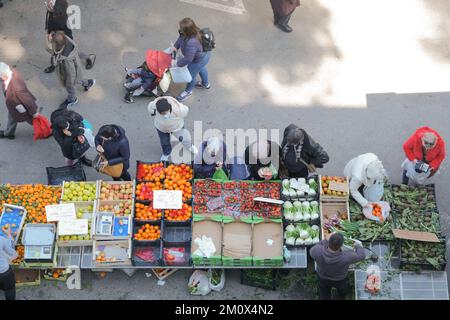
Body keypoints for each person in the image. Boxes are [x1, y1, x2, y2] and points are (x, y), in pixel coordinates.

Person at [44, 0, 96, 73]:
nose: (47, 3)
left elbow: (60, 25)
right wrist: (49, 32)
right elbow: (50, 21)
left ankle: (89, 58)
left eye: (49, 3)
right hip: (55, 35)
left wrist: (52, 33)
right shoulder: (53, 6)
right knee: (54, 51)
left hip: (64, 36)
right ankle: (53, 65)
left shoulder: (61, 5)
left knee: (72, 54)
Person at [310, 233, 366, 300]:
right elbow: (361, 255)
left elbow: (312, 251)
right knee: (342, 290)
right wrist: (358, 246)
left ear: (329, 241)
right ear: (341, 245)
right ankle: (340, 296)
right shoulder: (347, 256)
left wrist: (324, 240)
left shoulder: (317, 250)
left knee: (324, 291)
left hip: (322, 276)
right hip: (339, 279)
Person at [51, 31, 96, 108]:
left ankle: (72, 99)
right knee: (79, 79)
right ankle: (88, 83)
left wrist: (69, 84)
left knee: (71, 86)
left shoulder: (66, 60)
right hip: (75, 62)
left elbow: (71, 74)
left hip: (72, 74)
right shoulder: (67, 40)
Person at [171, 18, 211, 102]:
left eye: (182, 28)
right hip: (204, 56)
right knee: (201, 68)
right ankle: (205, 84)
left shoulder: (191, 43)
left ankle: (188, 91)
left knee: (190, 76)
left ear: (187, 31)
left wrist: (177, 64)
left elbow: (188, 59)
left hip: (198, 60)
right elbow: (180, 39)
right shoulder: (193, 31)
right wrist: (175, 46)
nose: (180, 29)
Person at [148, 96, 198, 162]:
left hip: (177, 127)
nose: (164, 115)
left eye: (165, 112)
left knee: (183, 138)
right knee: (164, 141)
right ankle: (166, 153)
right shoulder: (153, 107)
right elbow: (150, 108)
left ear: (169, 108)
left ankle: (189, 146)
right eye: (162, 114)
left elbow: (186, 110)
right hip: (161, 128)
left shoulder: (179, 109)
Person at [0, 62, 40, 140]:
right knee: (12, 118)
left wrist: (34, 112)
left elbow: (27, 100)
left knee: (31, 119)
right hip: (14, 106)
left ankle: (45, 129)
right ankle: (9, 133)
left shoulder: (17, 88)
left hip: (21, 108)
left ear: (4, 76)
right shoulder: (10, 73)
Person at [0, 227, 18, 300]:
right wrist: (9, 234)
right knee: (9, 289)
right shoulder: (1, 239)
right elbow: (11, 252)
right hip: (3, 272)